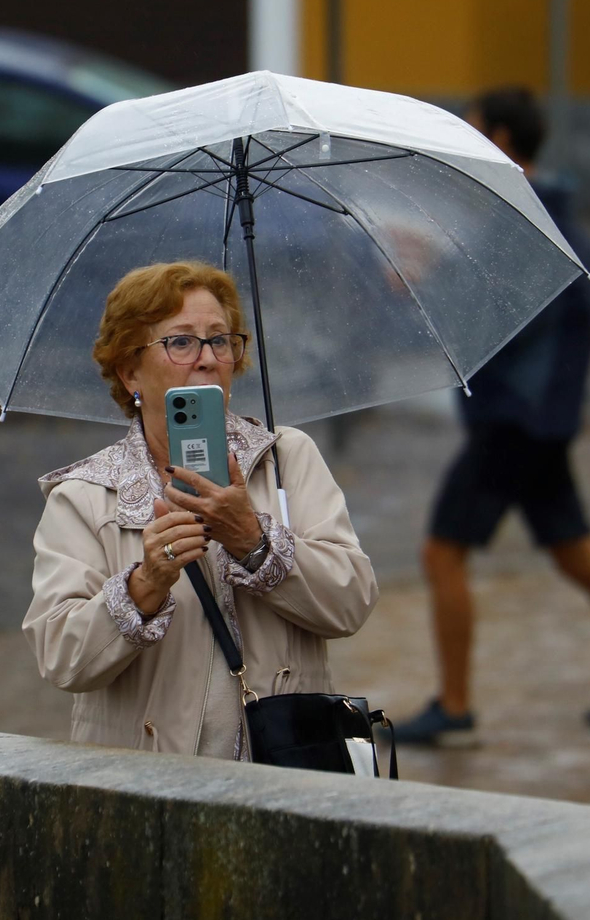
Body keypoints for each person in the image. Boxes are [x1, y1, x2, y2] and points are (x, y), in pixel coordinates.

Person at [395, 88, 590, 746]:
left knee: (442, 552)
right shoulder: (529, 219)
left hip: (514, 424)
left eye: (475, 135)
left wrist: (426, 278)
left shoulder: (525, 225)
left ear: (502, 140)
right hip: (534, 425)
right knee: (577, 554)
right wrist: (434, 272)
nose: (465, 150)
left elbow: (498, 323)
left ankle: (455, 703)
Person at [24, 261, 377, 759]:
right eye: (181, 341)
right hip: (149, 788)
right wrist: (143, 586)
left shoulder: (285, 458)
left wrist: (255, 541)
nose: (208, 357)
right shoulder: (84, 496)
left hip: (283, 771)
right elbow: (62, 660)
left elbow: (351, 603)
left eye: (221, 339)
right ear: (130, 373)